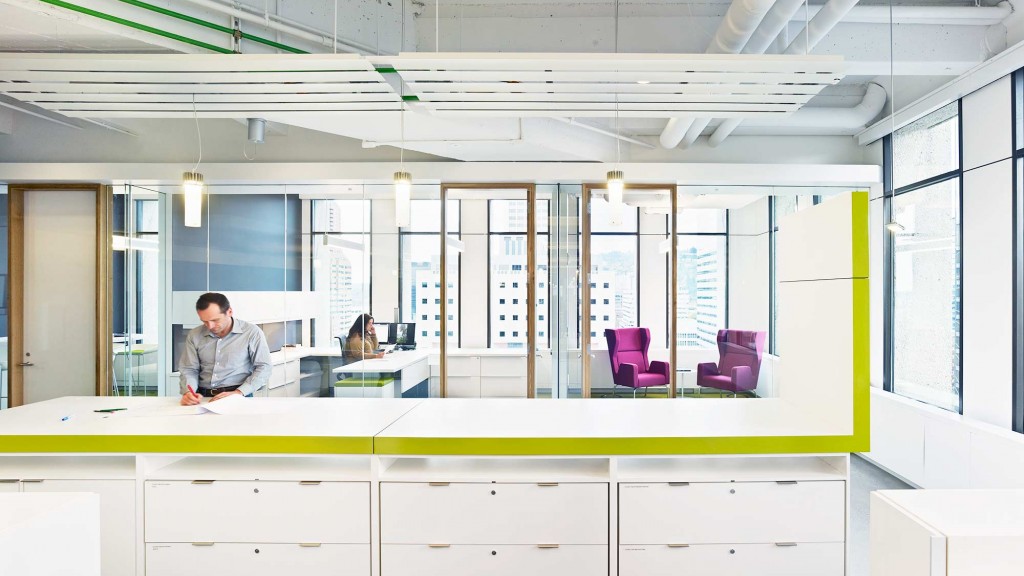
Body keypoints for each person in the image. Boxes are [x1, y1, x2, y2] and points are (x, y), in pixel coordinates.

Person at [179, 292, 271, 406]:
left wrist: (239, 392)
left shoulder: (252, 332)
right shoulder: (195, 335)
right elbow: (189, 369)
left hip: (239, 395)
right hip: (203, 398)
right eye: (204, 321)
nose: (210, 326)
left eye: (215, 320)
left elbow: (264, 367)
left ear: (229, 312)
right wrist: (189, 392)